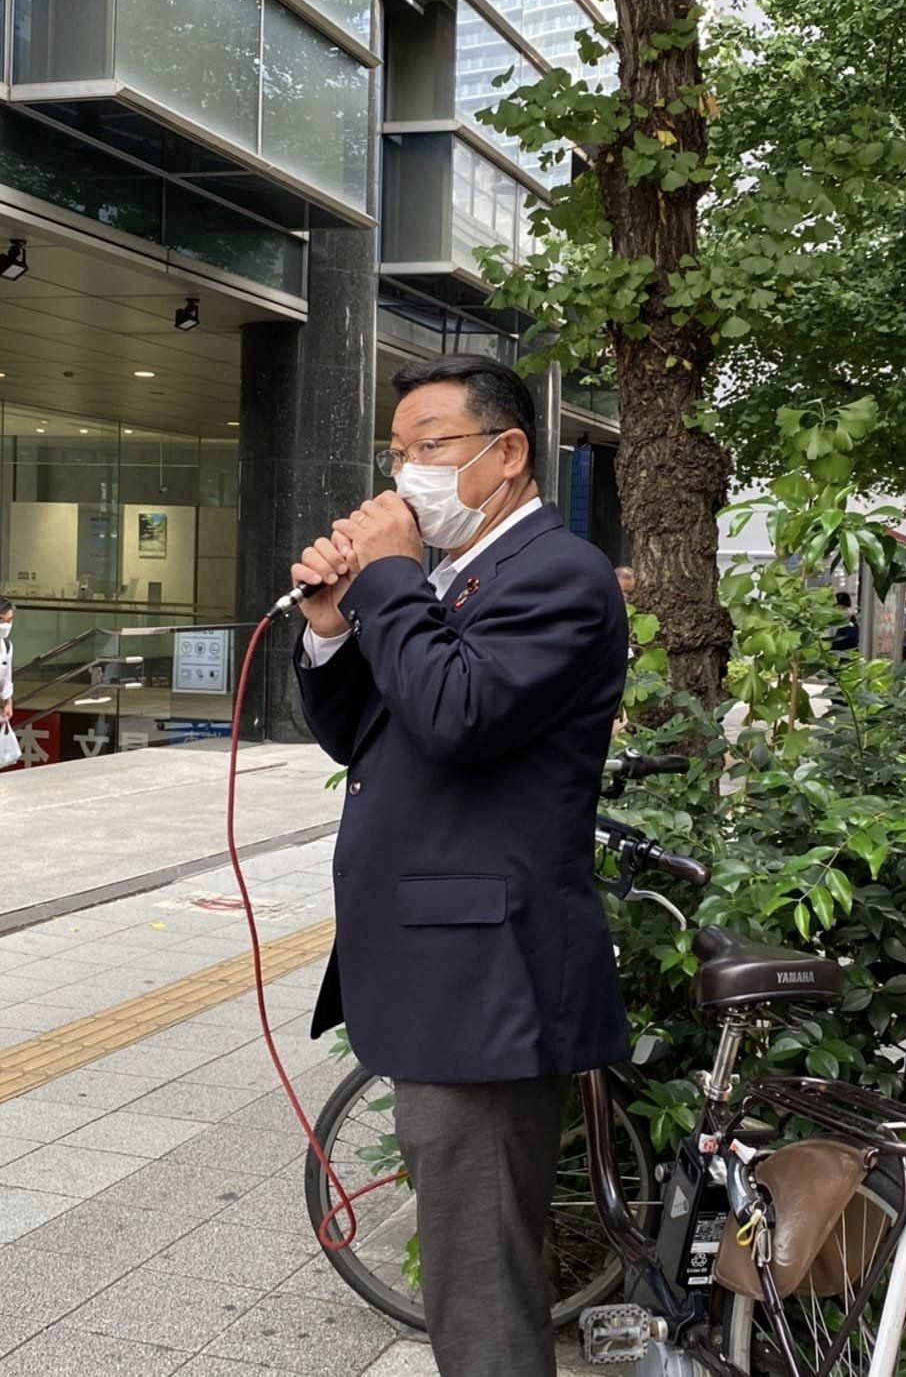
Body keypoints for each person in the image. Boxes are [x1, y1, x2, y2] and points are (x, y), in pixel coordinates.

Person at [289, 354, 630, 1377]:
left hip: (487, 985)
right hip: (444, 977)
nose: (405, 475)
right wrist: (329, 629)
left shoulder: (556, 574)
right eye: (396, 453)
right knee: (466, 1272)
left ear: (506, 451)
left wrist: (390, 576)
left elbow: (458, 712)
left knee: (479, 1292)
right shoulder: (456, 576)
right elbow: (374, 734)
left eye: (428, 447)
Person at [0, 598, 14, 722]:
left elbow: (6, 678)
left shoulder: (6, 646)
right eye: (1, 619)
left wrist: (8, 702)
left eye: (9, 621)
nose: (5, 625)